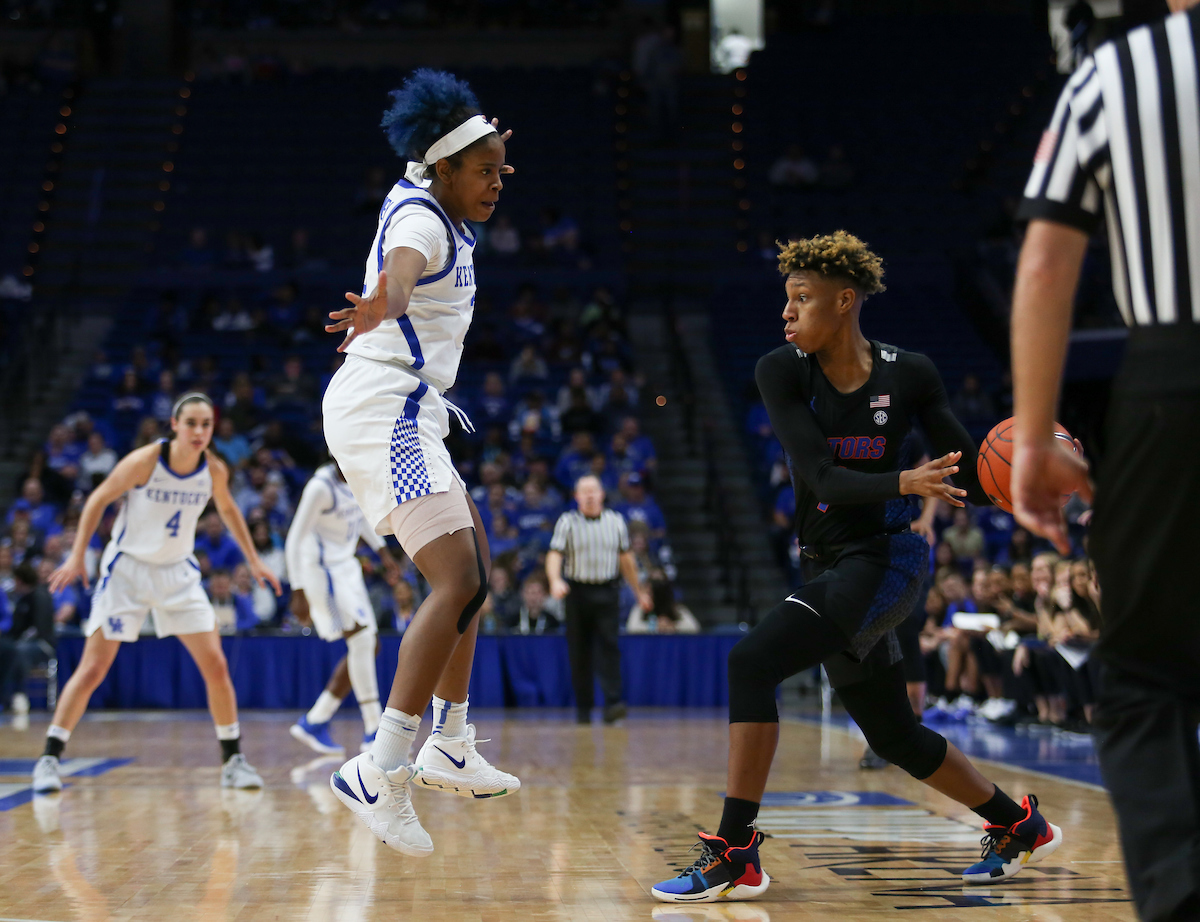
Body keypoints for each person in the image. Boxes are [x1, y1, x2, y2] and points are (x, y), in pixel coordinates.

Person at [652, 232, 1062, 904]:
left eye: (802, 299)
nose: (787, 313)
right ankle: (1018, 824)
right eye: (786, 299)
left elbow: (975, 474)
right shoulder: (781, 370)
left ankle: (735, 852)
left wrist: (1033, 472)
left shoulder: (912, 373)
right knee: (893, 734)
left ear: (844, 302)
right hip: (828, 562)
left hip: (886, 561)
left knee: (751, 663)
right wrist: (905, 479)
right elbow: (819, 477)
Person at [1009, 4, 1200, 918]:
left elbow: (1048, 267)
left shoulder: (1118, 74)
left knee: (1146, 676)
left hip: (1176, 378)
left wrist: (1039, 435)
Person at [320, 69, 520, 857]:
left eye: (504, 170)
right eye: (484, 172)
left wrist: (479, 134)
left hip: (412, 407)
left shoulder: (431, 188)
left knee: (479, 567)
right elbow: (402, 270)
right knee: (457, 580)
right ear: (444, 171)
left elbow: (443, 158)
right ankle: (380, 764)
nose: (497, 183)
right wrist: (383, 301)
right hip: (386, 406)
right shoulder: (423, 225)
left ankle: (452, 741)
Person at [35, 393, 282, 795]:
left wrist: (254, 561)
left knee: (216, 666)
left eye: (207, 424)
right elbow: (98, 500)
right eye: (192, 423)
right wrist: (78, 555)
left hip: (177, 574)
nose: (200, 431)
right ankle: (49, 758)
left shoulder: (214, 470)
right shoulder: (146, 460)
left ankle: (233, 761)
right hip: (127, 571)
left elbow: (230, 511)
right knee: (93, 669)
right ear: (175, 425)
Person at [286, 461, 400, 756]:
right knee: (361, 641)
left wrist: (383, 553)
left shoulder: (355, 475)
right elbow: (294, 539)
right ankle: (374, 728)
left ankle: (315, 720)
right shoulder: (319, 488)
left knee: (368, 646)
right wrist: (297, 590)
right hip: (322, 573)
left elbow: (360, 517)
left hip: (346, 568)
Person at [546, 475, 651, 725]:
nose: (590, 495)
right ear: (577, 497)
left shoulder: (616, 521)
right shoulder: (567, 521)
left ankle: (613, 704)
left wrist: (639, 592)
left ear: (602, 494)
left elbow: (626, 560)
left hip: (607, 591)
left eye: (594, 490)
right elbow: (554, 554)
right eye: (585, 491)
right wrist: (554, 580)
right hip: (577, 593)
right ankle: (584, 708)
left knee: (609, 648)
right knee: (579, 652)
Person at [0, 563, 55, 715]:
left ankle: (19, 694)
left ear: (19, 580)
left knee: (18, 651)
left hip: (43, 644)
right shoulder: (21, 599)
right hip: (23, 642)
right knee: (7, 649)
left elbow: (38, 629)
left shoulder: (40, 596)